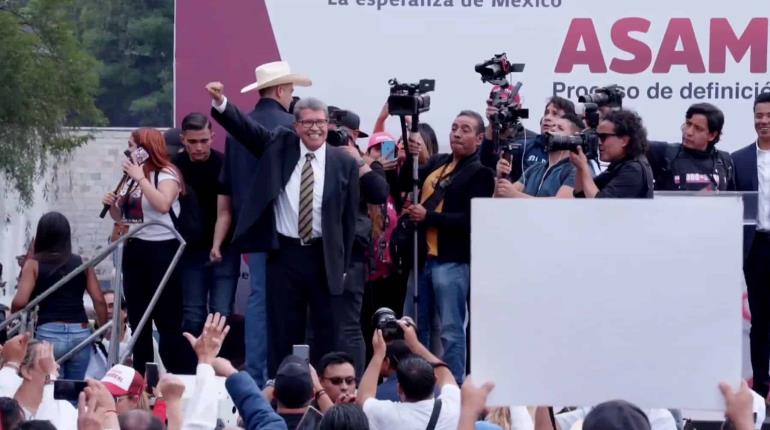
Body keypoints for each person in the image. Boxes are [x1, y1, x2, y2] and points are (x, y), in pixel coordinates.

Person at [206, 82, 359, 376]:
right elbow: (246, 130)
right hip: (285, 255)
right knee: (282, 331)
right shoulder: (281, 145)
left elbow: (348, 220)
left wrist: (343, 263)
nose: (315, 128)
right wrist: (222, 102)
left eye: (321, 122)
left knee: (327, 331)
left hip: (323, 256)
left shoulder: (343, 162)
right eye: (308, 122)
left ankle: (323, 393)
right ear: (296, 125)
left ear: (328, 124)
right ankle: (283, 391)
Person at [217, 61, 311, 387]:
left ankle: (256, 374)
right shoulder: (292, 126)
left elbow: (227, 187)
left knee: (258, 300)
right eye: (292, 92)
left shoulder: (236, 130)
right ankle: (289, 375)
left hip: (253, 229)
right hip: (290, 229)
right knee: (292, 301)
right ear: (282, 90)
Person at [400, 110, 496, 383]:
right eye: (454, 127)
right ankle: (415, 381)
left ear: (479, 139)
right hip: (422, 259)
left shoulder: (481, 173)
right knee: (414, 325)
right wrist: (413, 155)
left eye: (465, 129)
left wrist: (428, 217)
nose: (456, 133)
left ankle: (452, 386)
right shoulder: (439, 162)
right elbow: (405, 183)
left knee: (451, 330)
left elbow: (472, 219)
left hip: (452, 261)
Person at [101, 128, 196, 374]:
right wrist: (112, 204)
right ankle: (142, 380)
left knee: (167, 319)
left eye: (132, 146)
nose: (128, 151)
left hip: (163, 249)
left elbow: (163, 204)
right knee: (138, 319)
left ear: (146, 149)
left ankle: (180, 374)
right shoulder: (131, 178)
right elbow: (121, 217)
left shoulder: (167, 174)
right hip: (136, 248)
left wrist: (141, 177)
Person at [328, 108, 390, 376]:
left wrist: (357, 160)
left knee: (349, 324)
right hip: (321, 249)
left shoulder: (365, 163)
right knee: (318, 321)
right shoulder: (316, 157)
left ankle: (354, 382)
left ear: (353, 136)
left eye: (340, 134)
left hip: (352, 251)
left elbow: (379, 192)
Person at [12, 212, 108, 380]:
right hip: (80, 333)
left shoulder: (33, 265)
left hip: (49, 333)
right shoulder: (82, 262)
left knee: (50, 390)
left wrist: (13, 317)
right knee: (74, 391)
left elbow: (20, 302)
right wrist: (103, 328)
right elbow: (99, 299)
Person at [173, 112, 239, 337]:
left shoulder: (223, 164)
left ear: (212, 136)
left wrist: (217, 245)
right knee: (192, 314)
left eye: (204, 140)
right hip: (189, 249)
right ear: (183, 139)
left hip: (224, 247)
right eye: (193, 142)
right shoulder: (174, 167)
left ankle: (216, 366)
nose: (199, 147)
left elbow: (225, 211)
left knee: (221, 314)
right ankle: (190, 368)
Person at [732, 92, 770, 398]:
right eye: (759, 116)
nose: (764, 122)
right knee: (760, 321)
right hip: (756, 246)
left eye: (769, 116)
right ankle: (762, 388)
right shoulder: (739, 159)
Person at [358, 321, 461, 430]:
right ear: (435, 380)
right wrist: (415, 345)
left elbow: (363, 399)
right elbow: (446, 374)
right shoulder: (452, 407)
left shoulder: (388, 415)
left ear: (399, 389)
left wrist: (378, 354)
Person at [480, 96, 576, 181]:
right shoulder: (525, 146)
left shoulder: (576, 156)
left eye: (555, 114)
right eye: (546, 113)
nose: (547, 118)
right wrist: (492, 124)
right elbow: (487, 162)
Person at [647, 103, 735, 191]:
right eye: (688, 124)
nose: (689, 132)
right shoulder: (662, 152)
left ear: (712, 135)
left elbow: (733, 199)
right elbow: (636, 142)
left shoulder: (725, 161)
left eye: (698, 128)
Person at [494, 113, 585, 198]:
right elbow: (501, 199)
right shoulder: (534, 168)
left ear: (574, 139)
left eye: (560, 128)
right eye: (553, 126)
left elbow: (561, 204)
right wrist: (501, 177)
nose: (552, 129)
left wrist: (515, 195)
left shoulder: (575, 170)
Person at [570, 110, 654, 199]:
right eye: (597, 137)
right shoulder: (619, 166)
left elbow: (600, 204)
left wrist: (584, 167)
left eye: (603, 137)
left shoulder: (634, 170)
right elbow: (582, 194)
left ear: (624, 141)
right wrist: (580, 168)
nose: (598, 142)